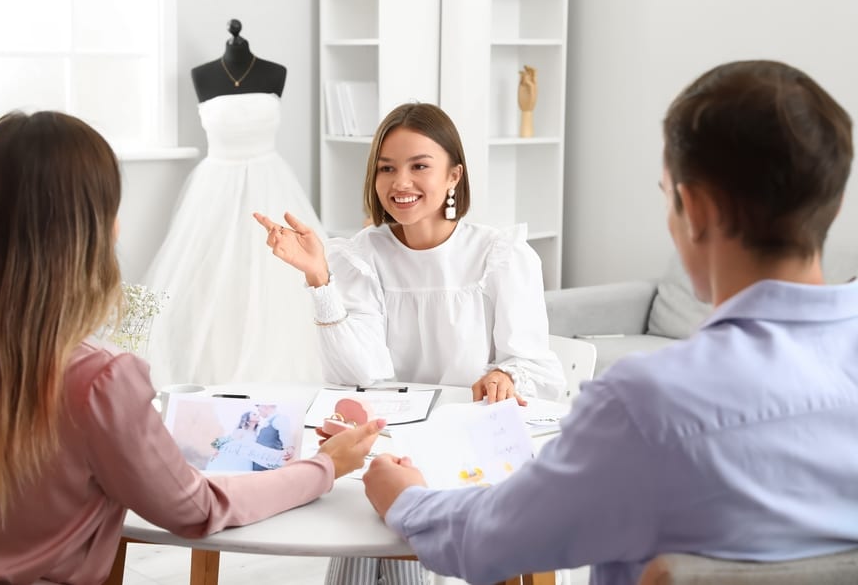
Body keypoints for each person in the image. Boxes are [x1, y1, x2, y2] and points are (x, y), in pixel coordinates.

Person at [363, 60, 858, 585]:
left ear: (692, 208)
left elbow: (494, 541)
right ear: (830, 200)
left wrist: (409, 501)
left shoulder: (646, 405)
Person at [0, 110, 385, 585]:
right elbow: (196, 509)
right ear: (89, 229)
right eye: (112, 208)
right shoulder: (97, 380)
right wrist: (325, 466)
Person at [256, 102, 566, 584]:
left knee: (396, 508)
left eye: (419, 166)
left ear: (453, 176)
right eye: (386, 168)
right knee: (374, 490)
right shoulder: (361, 255)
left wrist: (506, 373)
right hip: (391, 439)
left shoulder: (500, 254)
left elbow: (536, 365)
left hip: (470, 446)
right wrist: (320, 279)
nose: (400, 182)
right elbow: (360, 374)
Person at [142, 18, 327, 387]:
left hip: (270, 182)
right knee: (212, 287)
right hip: (215, 189)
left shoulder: (276, 73)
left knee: (278, 284)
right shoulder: (203, 75)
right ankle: (216, 377)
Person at [251, 403, 296, 471]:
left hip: (268, 463)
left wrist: (289, 447)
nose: (259, 413)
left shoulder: (280, 418)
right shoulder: (269, 420)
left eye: (259, 409)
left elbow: (285, 434)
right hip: (261, 462)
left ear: (265, 406)